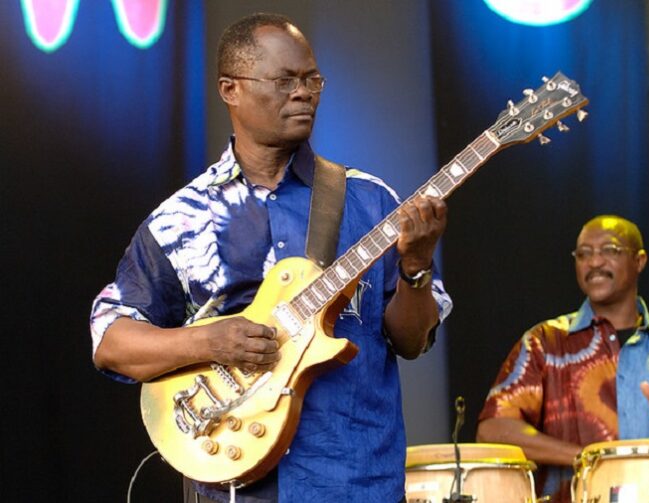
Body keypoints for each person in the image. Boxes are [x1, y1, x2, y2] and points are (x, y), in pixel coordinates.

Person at [89, 12, 452, 503]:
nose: (303, 92)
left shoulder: (371, 202)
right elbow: (112, 340)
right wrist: (209, 342)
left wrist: (416, 267)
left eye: (311, 79)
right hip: (235, 484)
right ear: (230, 89)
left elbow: (411, 341)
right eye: (284, 80)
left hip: (358, 480)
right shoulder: (184, 218)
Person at [477, 215, 649, 503]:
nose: (594, 263)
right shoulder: (545, 343)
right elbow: (493, 429)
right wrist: (588, 457)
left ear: (639, 261)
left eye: (610, 250)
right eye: (584, 254)